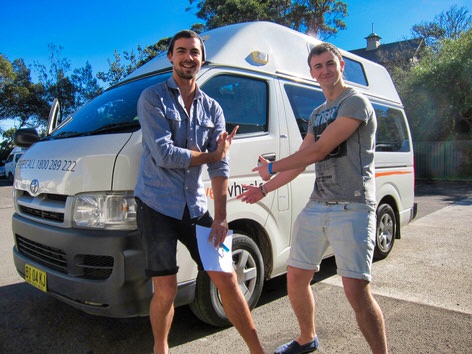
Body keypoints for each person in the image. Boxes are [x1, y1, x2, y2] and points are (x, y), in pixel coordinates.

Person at [238, 42, 388, 354]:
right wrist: (265, 188)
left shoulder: (355, 102)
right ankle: (307, 338)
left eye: (329, 64)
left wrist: (271, 168)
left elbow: (320, 150)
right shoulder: (317, 114)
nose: (324, 71)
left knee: (356, 292)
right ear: (311, 73)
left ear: (341, 65)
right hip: (318, 205)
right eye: (317, 67)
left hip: (353, 205)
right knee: (295, 277)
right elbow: (304, 158)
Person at [135, 30, 266, 354]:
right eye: (181, 51)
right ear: (170, 57)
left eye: (194, 52)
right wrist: (211, 155)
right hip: (156, 205)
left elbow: (220, 169)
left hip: (195, 207)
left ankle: (257, 350)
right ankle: (160, 349)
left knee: (227, 278)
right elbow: (164, 154)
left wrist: (221, 218)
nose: (188, 57)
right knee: (165, 288)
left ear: (202, 59)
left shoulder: (213, 109)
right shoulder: (152, 98)